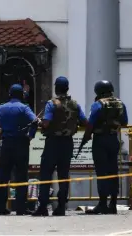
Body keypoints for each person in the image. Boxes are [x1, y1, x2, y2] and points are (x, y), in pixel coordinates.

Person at [31, 76, 88, 217]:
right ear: (67, 88)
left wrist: (38, 121)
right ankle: (61, 206)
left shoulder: (52, 104)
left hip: (53, 143)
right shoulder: (75, 104)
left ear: (56, 88)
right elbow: (85, 122)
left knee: (45, 174)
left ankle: (43, 207)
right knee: (63, 175)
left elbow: (46, 124)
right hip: (68, 143)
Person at [0, 84, 38, 215]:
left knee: (3, 176)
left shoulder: (1, 108)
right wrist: (31, 135)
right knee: (21, 176)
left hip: (6, 144)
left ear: (10, 94)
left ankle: (1, 207)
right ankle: (20, 208)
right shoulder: (24, 108)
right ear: (21, 95)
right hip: (21, 144)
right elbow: (35, 121)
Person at [82, 80, 128, 215]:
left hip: (100, 141)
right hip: (113, 140)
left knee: (102, 173)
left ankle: (102, 203)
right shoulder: (120, 104)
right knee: (113, 171)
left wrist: (86, 137)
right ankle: (113, 203)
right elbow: (124, 121)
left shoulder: (98, 105)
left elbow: (90, 123)